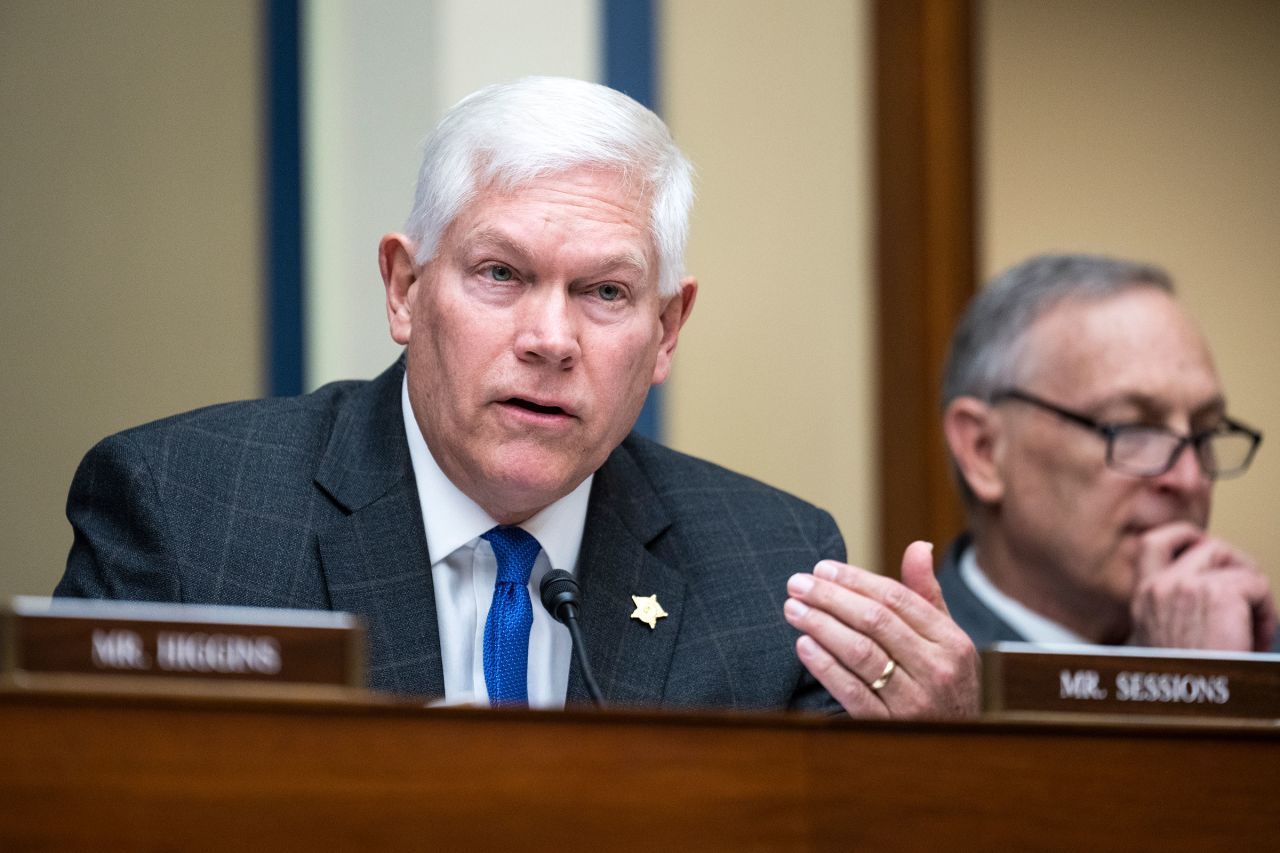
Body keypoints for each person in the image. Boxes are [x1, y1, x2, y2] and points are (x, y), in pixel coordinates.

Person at [57, 76, 978, 716]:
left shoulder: (769, 566)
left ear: (665, 331)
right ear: (404, 290)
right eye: (500, 273)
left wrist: (939, 760)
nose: (550, 339)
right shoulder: (184, 511)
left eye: (606, 292)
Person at [938, 253, 1277, 652]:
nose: (1190, 479)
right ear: (984, 451)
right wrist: (1192, 688)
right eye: (1133, 428)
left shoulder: (1256, 649)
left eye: (1204, 430)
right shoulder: (907, 691)